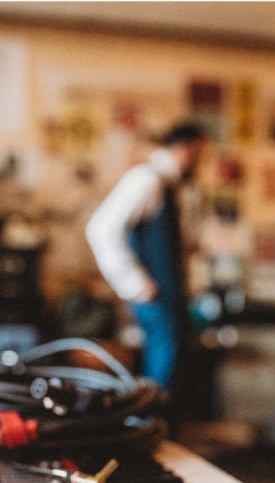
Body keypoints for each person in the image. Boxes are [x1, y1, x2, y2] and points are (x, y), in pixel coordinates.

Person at [85, 123, 206, 392]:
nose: (201, 162)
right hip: (155, 297)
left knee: (171, 370)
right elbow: (101, 228)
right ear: (184, 149)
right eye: (199, 153)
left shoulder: (167, 185)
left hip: (167, 295)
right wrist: (134, 283)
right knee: (162, 374)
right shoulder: (146, 179)